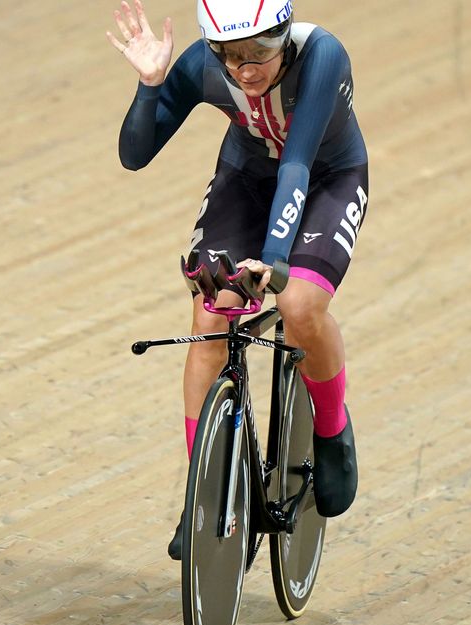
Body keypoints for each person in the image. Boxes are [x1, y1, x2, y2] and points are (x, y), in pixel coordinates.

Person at [106, 0, 367, 560]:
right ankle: (203, 496)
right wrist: (152, 84)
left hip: (326, 179)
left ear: (284, 34)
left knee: (298, 307)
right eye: (230, 55)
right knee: (209, 317)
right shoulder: (204, 64)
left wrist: (273, 262)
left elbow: (297, 163)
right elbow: (135, 155)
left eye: (259, 52)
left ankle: (333, 432)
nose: (246, 69)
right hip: (247, 179)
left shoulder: (322, 56)